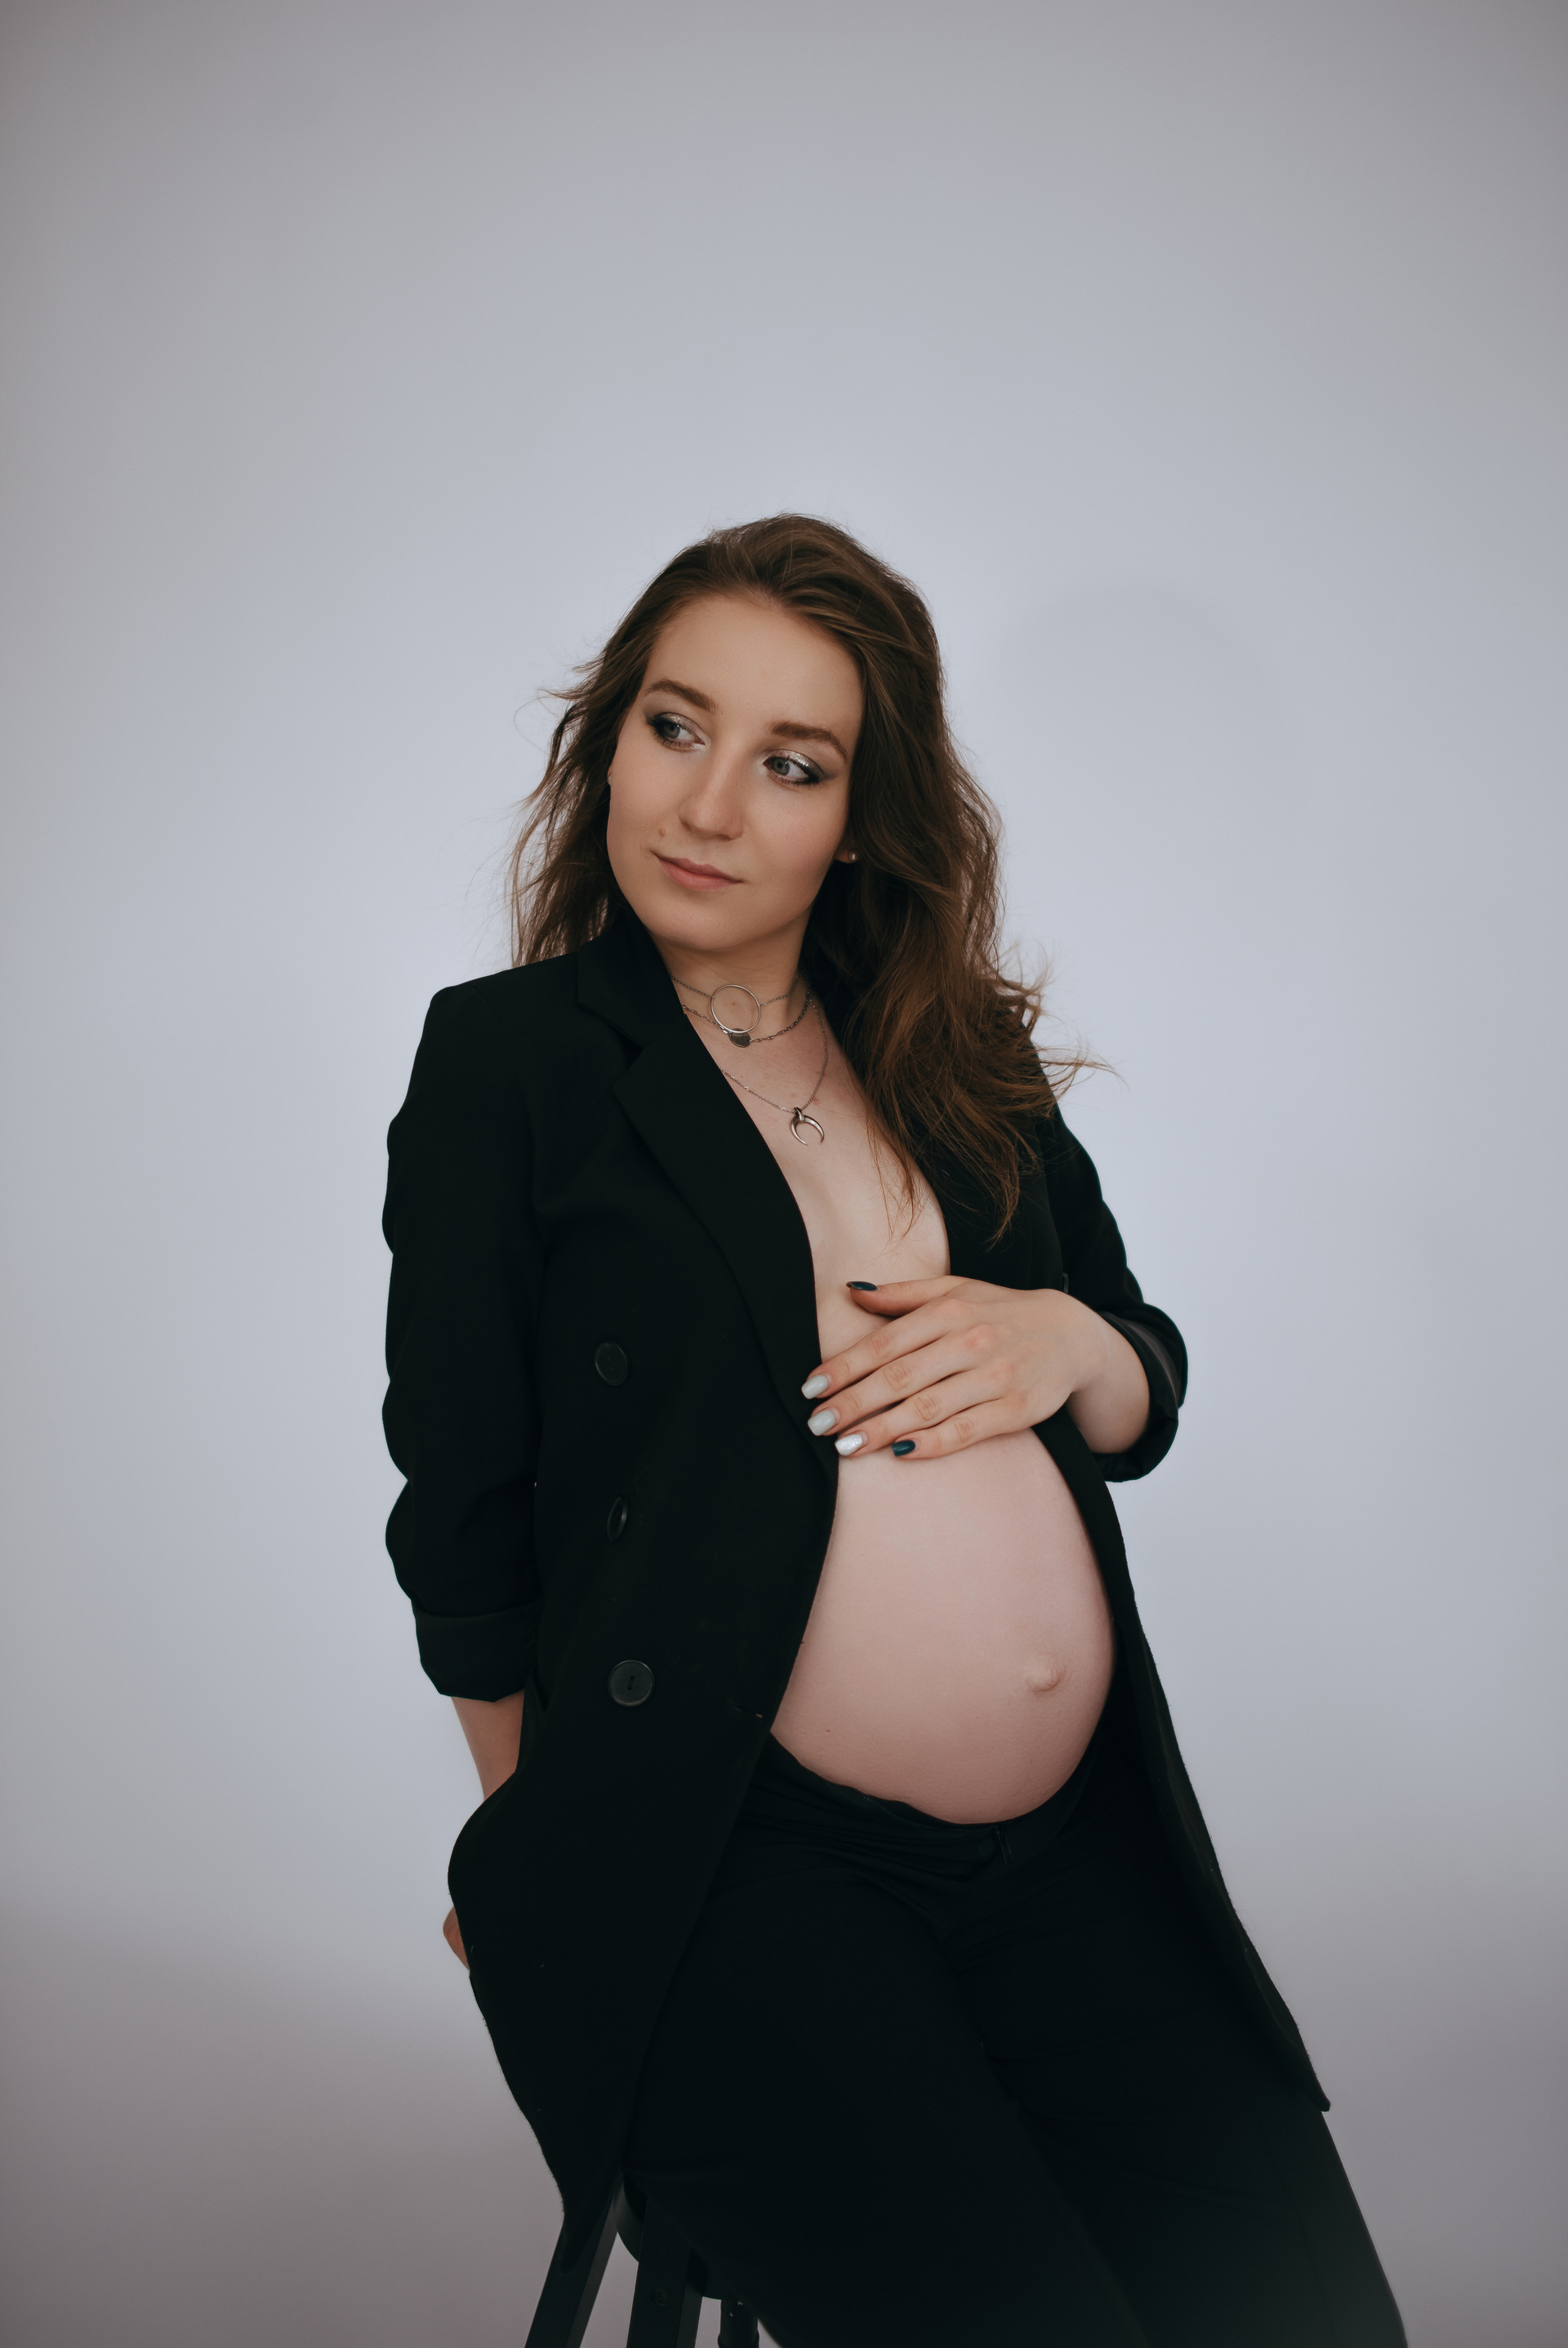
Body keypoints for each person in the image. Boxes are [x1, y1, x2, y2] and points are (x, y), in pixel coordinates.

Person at [382, 515, 1405, 2346]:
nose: (708, 805)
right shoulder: (514, 1063)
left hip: (1076, 1859)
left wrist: (1068, 1338)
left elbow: (1143, 1377)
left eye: (792, 763)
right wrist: (555, 1853)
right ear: (610, 738)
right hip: (739, 1873)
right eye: (675, 727)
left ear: (860, 816)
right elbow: (461, 1507)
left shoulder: (953, 1046)